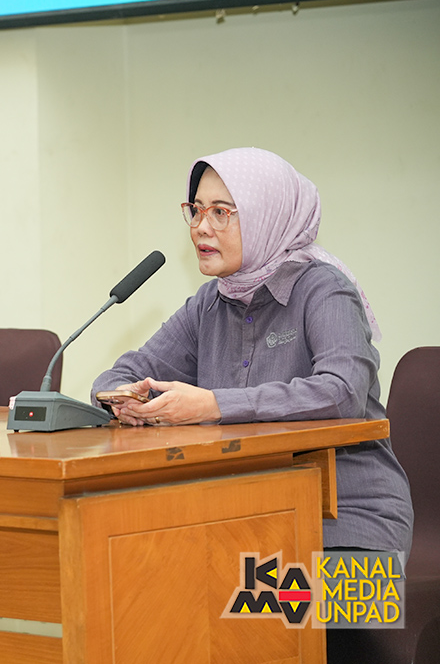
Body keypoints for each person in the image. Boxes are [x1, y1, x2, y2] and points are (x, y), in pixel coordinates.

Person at [91, 147, 412, 560]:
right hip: (249, 517)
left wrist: (213, 405)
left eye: (220, 212)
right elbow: (122, 374)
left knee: (279, 599)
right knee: (152, 572)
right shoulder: (208, 304)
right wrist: (121, 399)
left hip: (349, 523)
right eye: (196, 210)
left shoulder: (324, 289)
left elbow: (342, 392)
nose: (201, 227)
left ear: (266, 216)